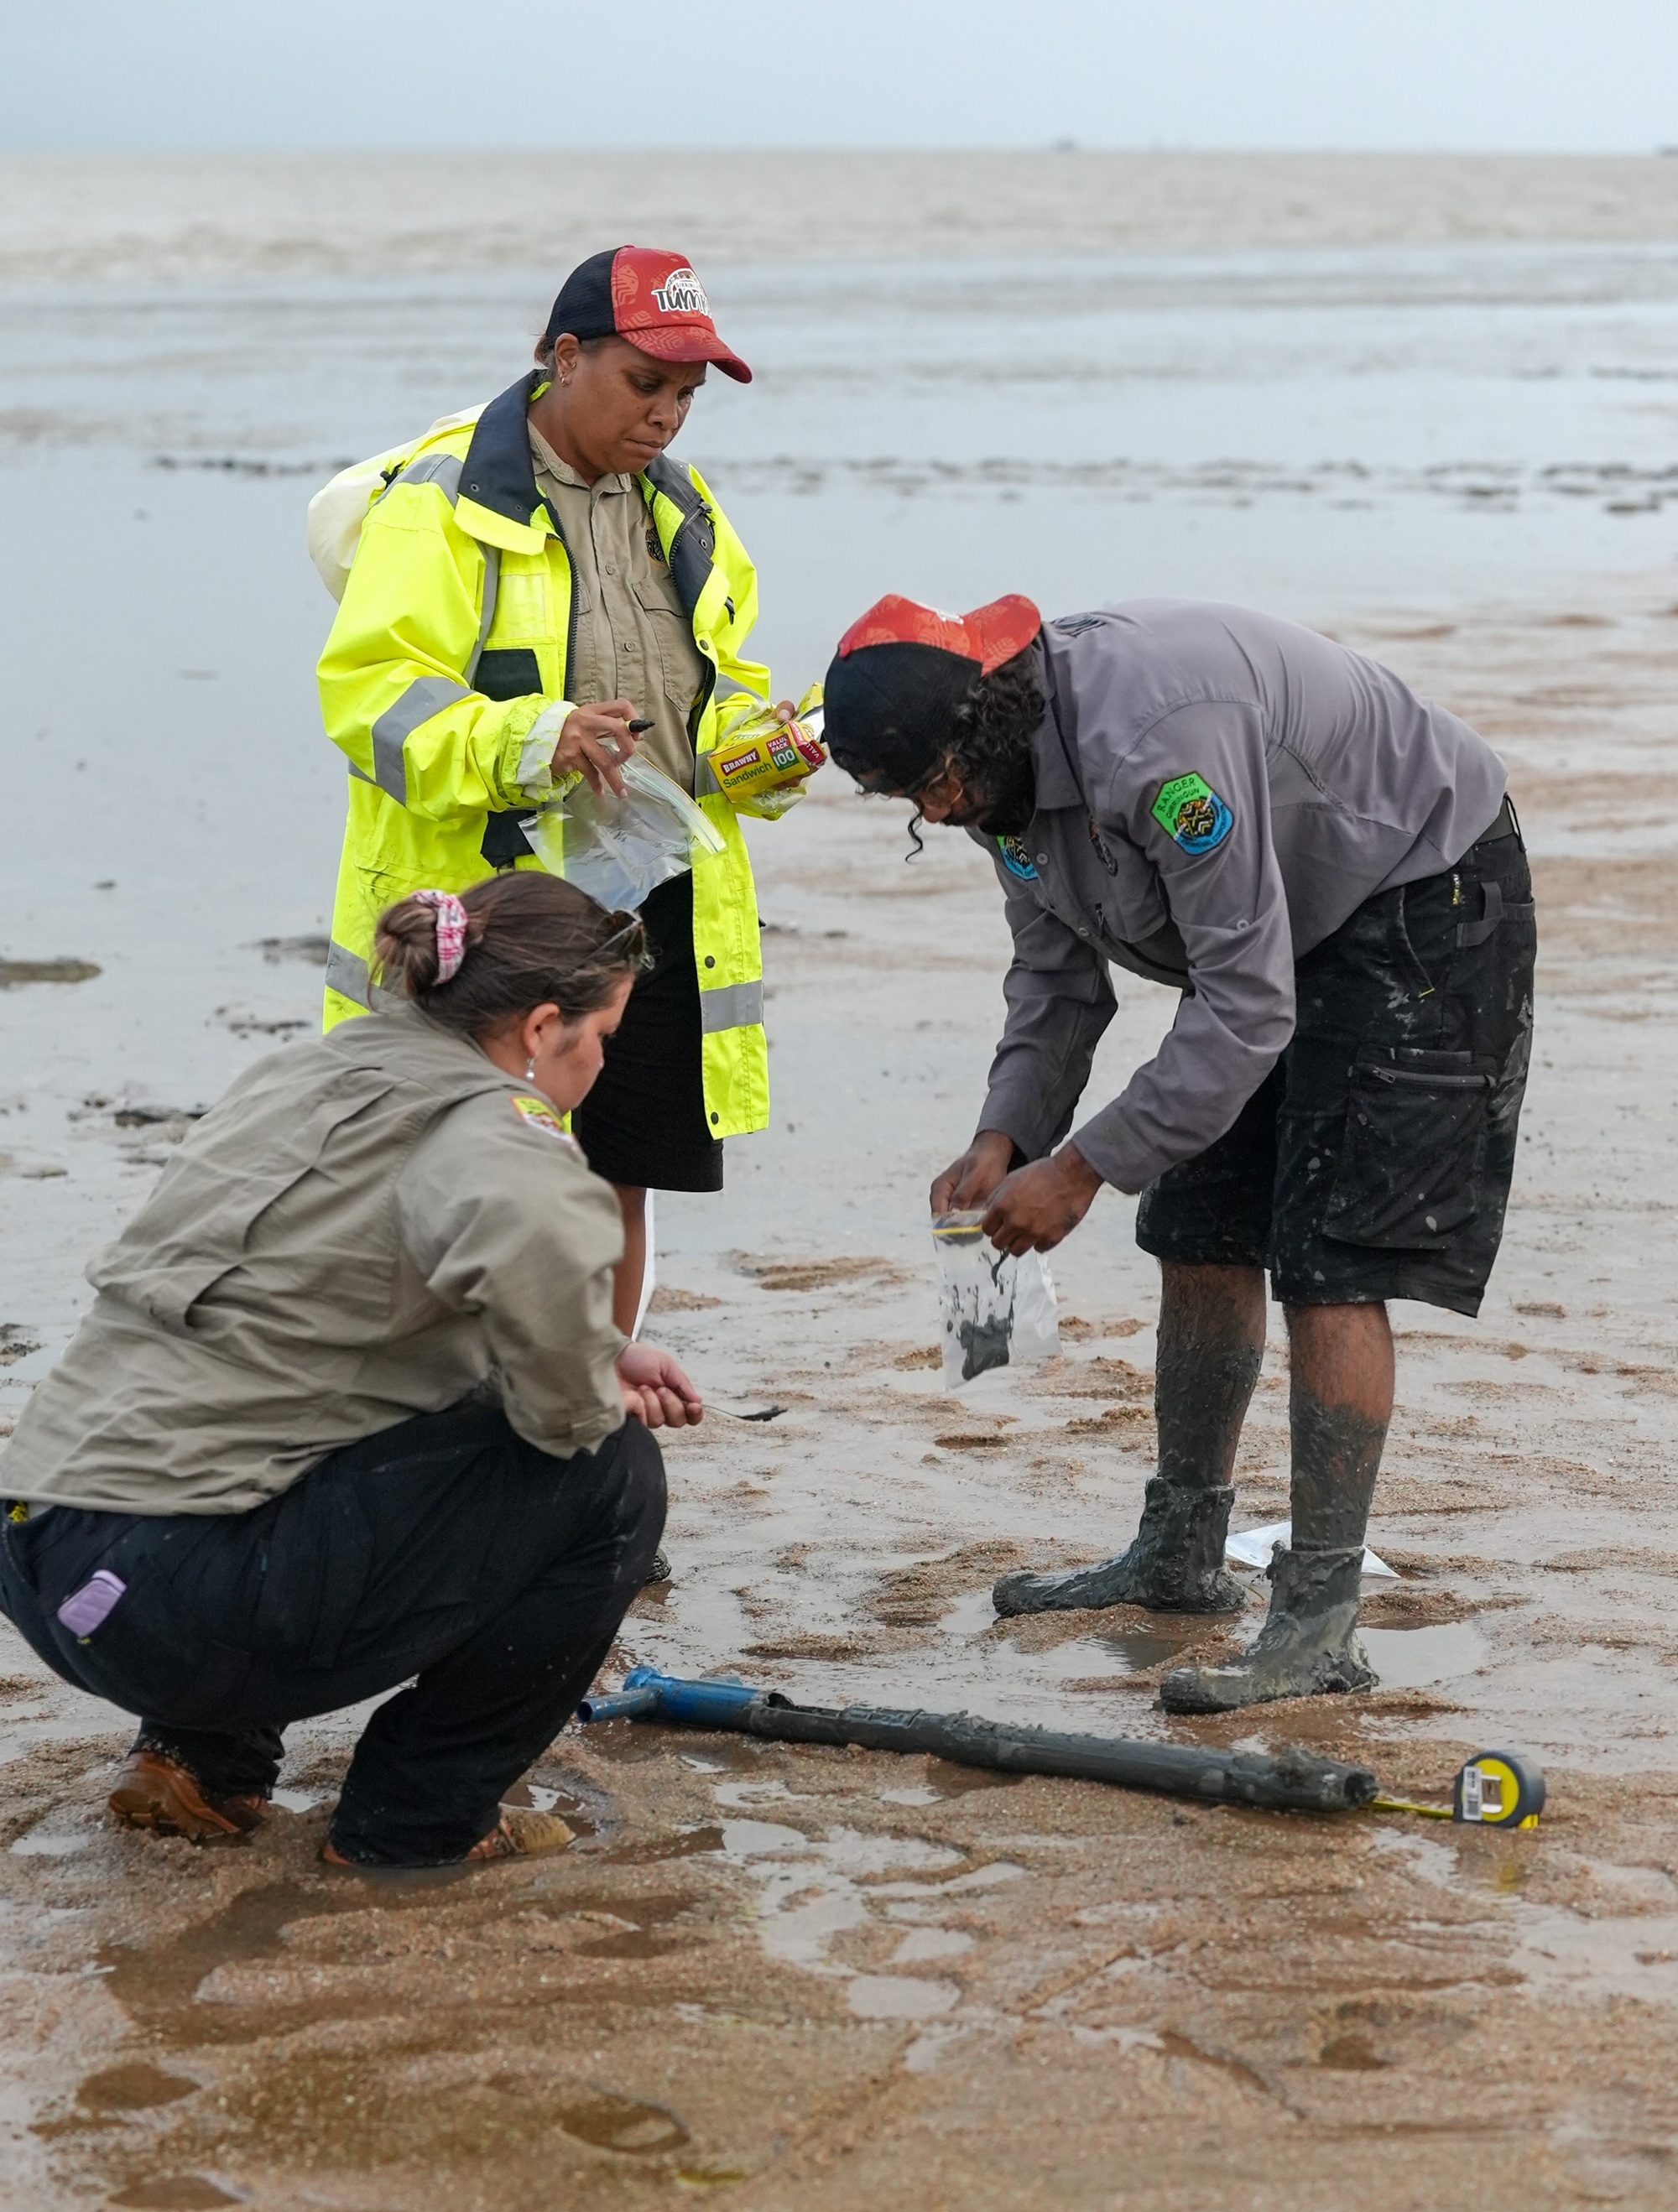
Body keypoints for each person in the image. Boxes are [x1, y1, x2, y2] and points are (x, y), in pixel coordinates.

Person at [822, 593, 1535, 1711]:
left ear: (984, 723)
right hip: (1270, 917)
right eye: (905, 797)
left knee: (1329, 1259)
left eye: (936, 783)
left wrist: (1080, 1169)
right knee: (1198, 1226)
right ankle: (1181, 1551)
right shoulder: (995, 783)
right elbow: (1054, 981)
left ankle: (1317, 1621)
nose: (935, 810)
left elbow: (1244, 1008)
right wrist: (1006, 1134)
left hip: (1415, 884)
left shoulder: (1157, 750)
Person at [0, 876, 702, 1868]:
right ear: (544, 1028)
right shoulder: (503, 1132)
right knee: (609, 1474)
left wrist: (591, 1347)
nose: (600, 1061)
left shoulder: (301, 1070)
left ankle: (198, 1764)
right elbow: (560, 1413)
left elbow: (294, 1310)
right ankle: (418, 1822)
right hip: (173, 1612)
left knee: (299, 1409)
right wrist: (590, 1373)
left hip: (44, 1550)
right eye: (603, 1037)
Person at [315, 245, 815, 1336]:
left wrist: (759, 751)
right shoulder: (444, 499)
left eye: (686, 394)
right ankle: (469, 1406)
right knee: (474, 1179)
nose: (667, 415)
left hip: (651, 906)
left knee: (614, 1176)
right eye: (646, 383)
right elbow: (371, 700)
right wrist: (534, 740)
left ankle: (593, 1398)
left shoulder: (682, 509)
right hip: (497, 912)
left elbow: (717, 691)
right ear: (564, 355)